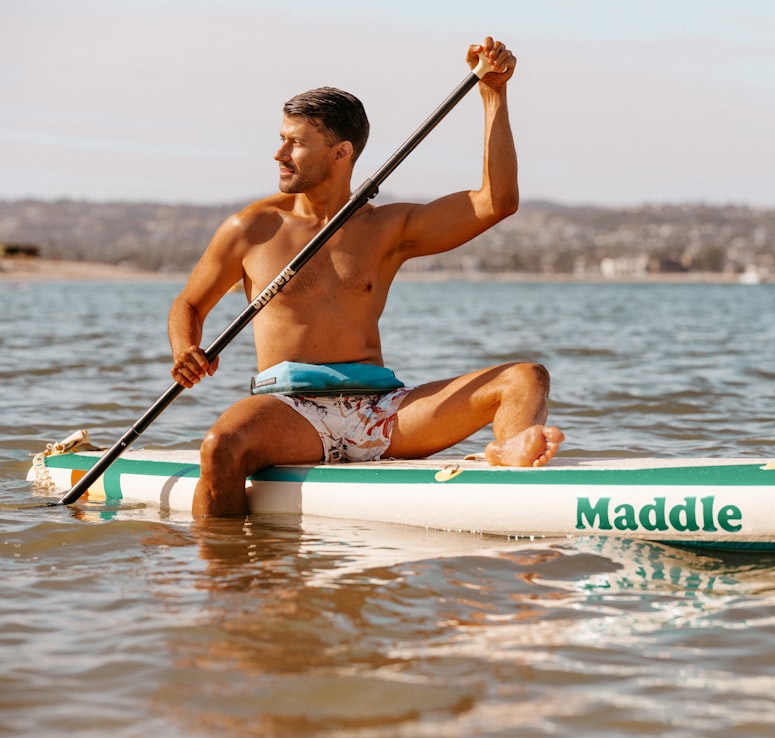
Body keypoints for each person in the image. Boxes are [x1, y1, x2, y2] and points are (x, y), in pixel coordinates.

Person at [168, 37, 564, 517]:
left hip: (384, 411)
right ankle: (224, 579)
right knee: (220, 447)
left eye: (295, 142)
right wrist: (186, 348)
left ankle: (511, 466)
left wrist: (493, 93)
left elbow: (495, 202)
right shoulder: (252, 228)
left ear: (341, 153)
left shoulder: (385, 229)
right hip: (290, 410)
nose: (279, 154)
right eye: (281, 138)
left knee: (525, 379)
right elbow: (189, 304)